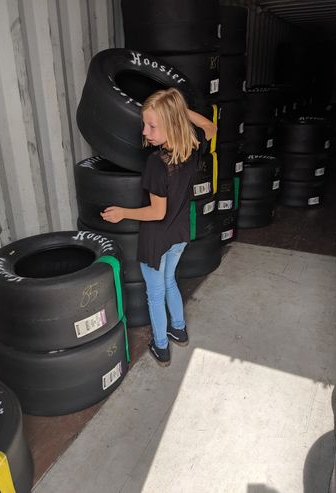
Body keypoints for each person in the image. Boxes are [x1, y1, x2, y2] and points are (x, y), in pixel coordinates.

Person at [101, 87, 217, 367]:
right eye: (145, 124)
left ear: (172, 123)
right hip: (178, 234)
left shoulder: (157, 162)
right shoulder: (191, 147)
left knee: (155, 294)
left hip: (156, 238)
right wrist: (177, 110)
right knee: (169, 282)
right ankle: (179, 329)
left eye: (152, 126)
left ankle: (161, 347)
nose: (145, 131)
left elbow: (157, 211)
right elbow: (209, 125)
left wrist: (122, 213)